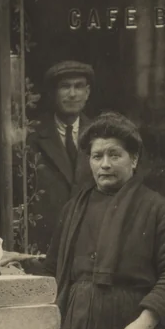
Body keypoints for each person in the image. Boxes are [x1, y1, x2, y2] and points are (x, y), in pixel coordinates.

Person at [11, 112, 165, 329]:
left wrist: (145, 323)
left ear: (134, 160)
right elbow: (53, 269)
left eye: (114, 155)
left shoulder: (158, 210)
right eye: (97, 156)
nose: (104, 164)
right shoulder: (73, 209)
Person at [24, 60, 96, 255]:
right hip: (46, 246)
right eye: (65, 87)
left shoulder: (101, 134)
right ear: (53, 93)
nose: (72, 94)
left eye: (79, 86)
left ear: (87, 92)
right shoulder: (32, 136)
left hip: (92, 242)